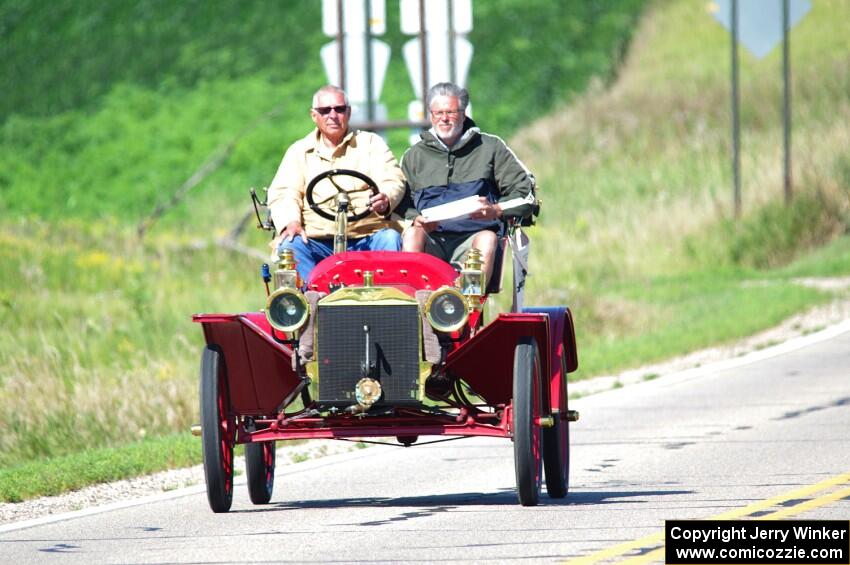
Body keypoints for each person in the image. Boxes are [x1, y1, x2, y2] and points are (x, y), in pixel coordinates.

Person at [400, 82, 536, 285]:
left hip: (474, 239)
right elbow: (400, 204)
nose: (444, 119)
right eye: (438, 113)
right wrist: (415, 220)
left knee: (487, 239)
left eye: (450, 112)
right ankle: (413, 304)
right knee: (412, 234)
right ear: (430, 115)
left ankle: (468, 308)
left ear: (463, 114)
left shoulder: (490, 147)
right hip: (432, 239)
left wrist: (496, 210)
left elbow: (527, 195)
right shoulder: (413, 156)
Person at [267, 85, 406, 282]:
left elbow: (392, 178)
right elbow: (284, 193)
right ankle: (308, 301)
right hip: (316, 240)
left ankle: (386, 301)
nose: (333, 115)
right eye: (325, 111)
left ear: (348, 113)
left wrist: (385, 197)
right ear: (314, 115)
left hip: (367, 236)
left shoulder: (371, 144)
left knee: (390, 239)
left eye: (339, 109)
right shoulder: (299, 152)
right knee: (290, 246)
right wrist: (292, 222)